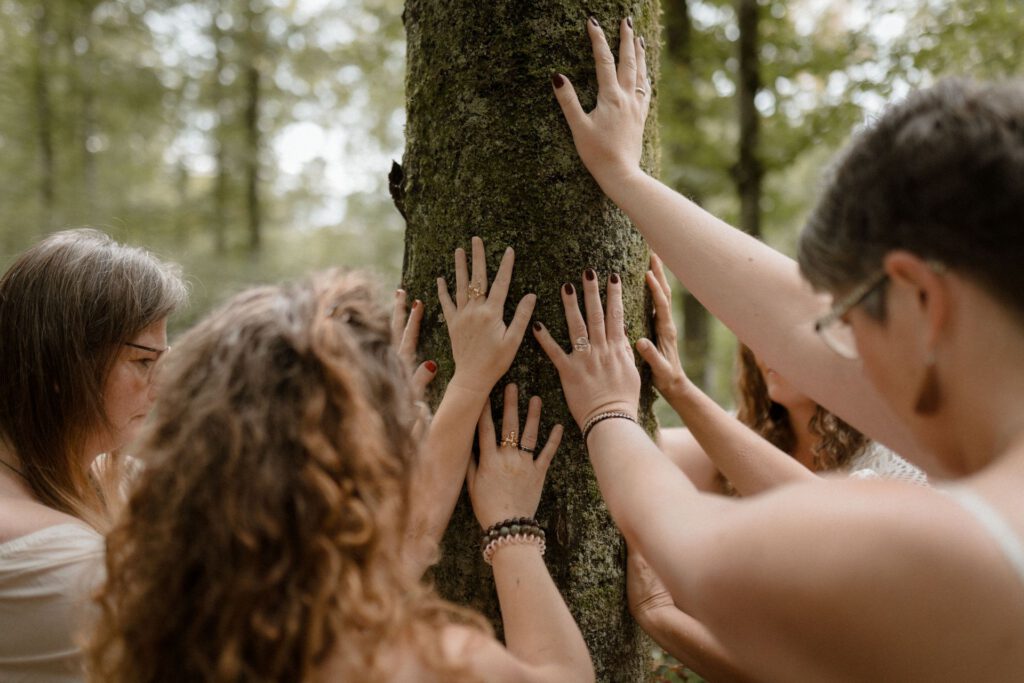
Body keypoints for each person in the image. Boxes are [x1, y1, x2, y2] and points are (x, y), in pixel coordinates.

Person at [533, 16, 1024, 680]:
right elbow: (794, 320)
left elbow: (696, 550)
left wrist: (608, 413)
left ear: (925, 303)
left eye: (847, 322)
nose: (831, 356)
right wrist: (624, 179)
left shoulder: (959, 553)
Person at [87, 268, 594, 682]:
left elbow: (410, 546)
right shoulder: (405, 661)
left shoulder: (157, 629)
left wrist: (467, 384)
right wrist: (513, 532)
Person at [0, 228, 187, 681]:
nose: (160, 385)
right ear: (65, 362)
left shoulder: (99, 475)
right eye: (144, 362)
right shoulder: (57, 559)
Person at [644, 254, 927, 496]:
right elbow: (649, 448)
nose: (770, 354)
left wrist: (679, 388)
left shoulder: (897, 453)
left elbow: (826, 522)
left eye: (790, 339)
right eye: (762, 336)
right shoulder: (751, 429)